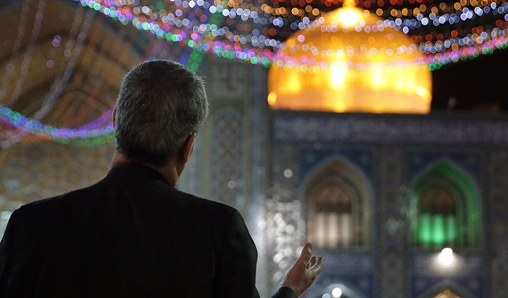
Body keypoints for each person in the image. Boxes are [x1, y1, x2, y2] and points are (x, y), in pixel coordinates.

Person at [0, 59, 322, 297]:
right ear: (188, 146)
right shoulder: (217, 231)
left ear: (116, 122)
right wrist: (289, 290)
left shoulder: (30, 225)